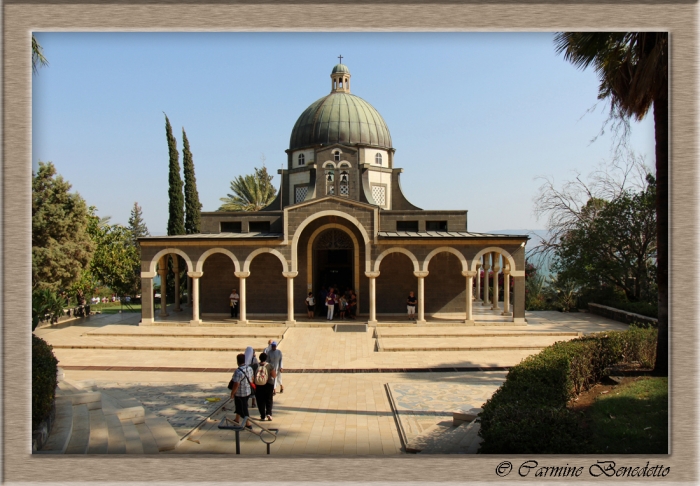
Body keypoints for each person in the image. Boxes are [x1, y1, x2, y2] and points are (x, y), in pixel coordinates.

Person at [229, 353, 254, 428]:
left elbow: (236, 384)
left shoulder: (238, 371)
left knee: (243, 408)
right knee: (240, 406)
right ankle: (237, 419)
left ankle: (248, 423)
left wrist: (232, 393)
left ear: (237, 361)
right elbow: (252, 379)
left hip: (240, 393)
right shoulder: (249, 368)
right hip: (248, 391)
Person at [254, 352, 277, 421]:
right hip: (269, 384)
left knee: (260, 400)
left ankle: (262, 415)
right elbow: (274, 375)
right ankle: (269, 413)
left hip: (258, 385)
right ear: (266, 358)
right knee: (269, 399)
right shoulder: (269, 365)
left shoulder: (255, 366)